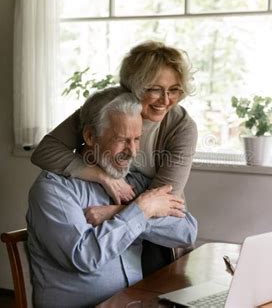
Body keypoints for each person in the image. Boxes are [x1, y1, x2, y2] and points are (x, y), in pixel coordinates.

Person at [31, 41, 198, 274]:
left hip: (157, 234)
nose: (165, 100)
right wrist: (102, 176)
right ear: (134, 87)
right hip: (119, 223)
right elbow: (46, 151)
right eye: (155, 89)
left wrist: (110, 213)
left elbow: (159, 200)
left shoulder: (181, 127)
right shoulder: (108, 109)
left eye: (174, 90)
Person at [26, 87, 198, 307]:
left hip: (132, 303)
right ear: (90, 136)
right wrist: (142, 210)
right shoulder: (53, 190)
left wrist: (129, 211)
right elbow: (84, 257)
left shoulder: (134, 182)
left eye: (137, 139)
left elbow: (187, 231)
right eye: (122, 140)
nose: (133, 151)